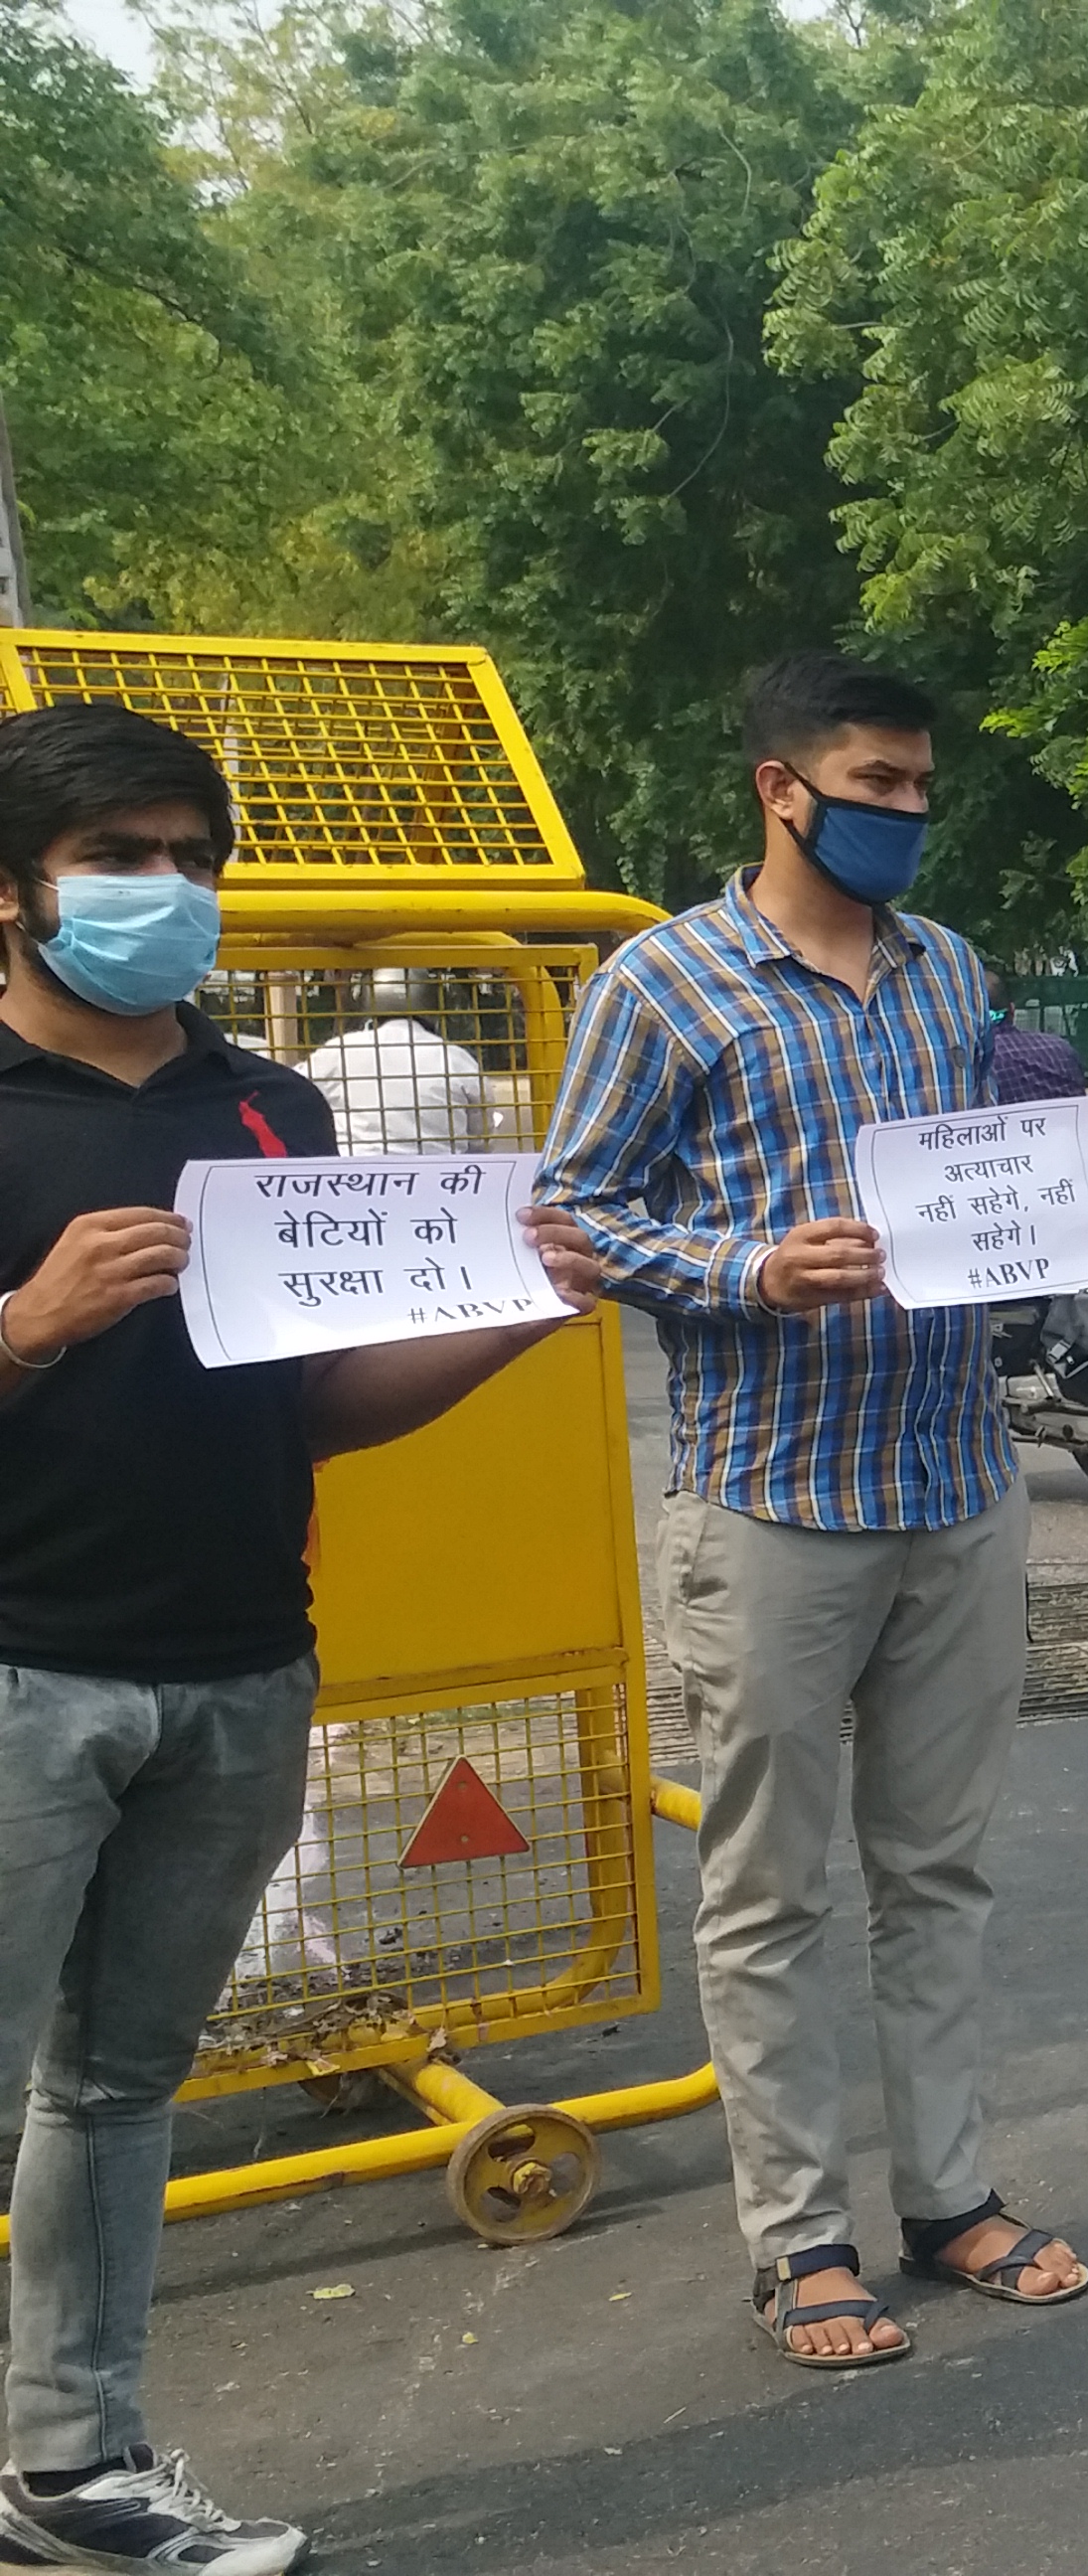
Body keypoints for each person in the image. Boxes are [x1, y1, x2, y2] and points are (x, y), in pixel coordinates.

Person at [0, 702, 603, 2574]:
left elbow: (313, 1401)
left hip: (246, 1663)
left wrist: (512, 1312)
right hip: (21, 1672)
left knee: (117, 2085)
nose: (164, 892)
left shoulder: (278, 1111)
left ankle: (69, 2468)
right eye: (119, 858)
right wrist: (24, 1320)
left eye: (192, 856)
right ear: (14, 889)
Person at [540, 651, 1088, 2368]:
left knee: (937, 1867)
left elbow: (984, 1192)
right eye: (873, 783)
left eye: (918, 787)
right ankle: (798, 2235)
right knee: (770, 1887)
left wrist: (1072, 1217)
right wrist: (747, 1264)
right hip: (773, 1502)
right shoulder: (665, 985)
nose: (904, 813)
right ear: (779, 787)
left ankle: (949, 2194)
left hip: (959, 1482)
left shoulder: (948, 972)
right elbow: (575, 1221)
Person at [297, 969, 505, 1153]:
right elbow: (482, 1140)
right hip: (441, 1181)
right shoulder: (455, 1058)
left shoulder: (338, 1051)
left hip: (356, 1180)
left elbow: (292, 1091)